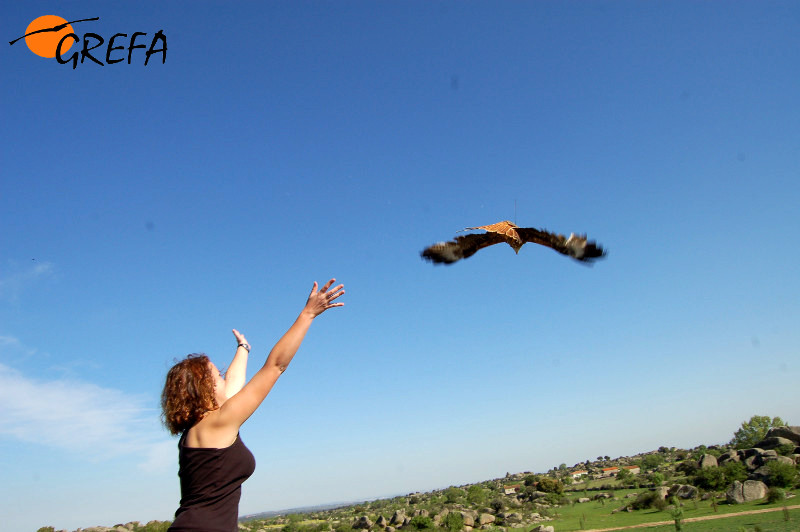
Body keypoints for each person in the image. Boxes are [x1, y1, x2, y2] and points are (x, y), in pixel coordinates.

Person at [161, 279, 345, 532]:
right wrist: (308, 314)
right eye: (217, 376)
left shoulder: (202, 428)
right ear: (204, 389)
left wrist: (243, 348)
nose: (224, 378)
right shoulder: (216, 424)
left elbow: (235, 385)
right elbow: (275, 366)